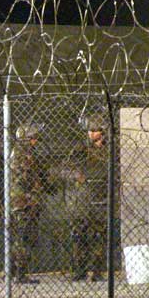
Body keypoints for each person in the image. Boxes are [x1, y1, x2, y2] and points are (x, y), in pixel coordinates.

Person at [66, 113, 109, 282]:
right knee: (79, 236)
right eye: (90, 130)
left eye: (96, 130)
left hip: (100, 198)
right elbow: (69, 168)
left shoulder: (108, 149)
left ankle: (97, 271)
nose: (92, 134)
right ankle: (79, 271)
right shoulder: (80, 149)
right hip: (82, 200)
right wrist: (77, 174)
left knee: (99, 235)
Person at [9, 123, 47, 284]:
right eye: (33, 138)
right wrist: (37, 183)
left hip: (24, 201)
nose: (35, 141)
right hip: (23, 202)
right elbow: (24, 178)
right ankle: (20, 274)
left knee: (22, 237)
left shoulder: (24, 152)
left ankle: (15, 272)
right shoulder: (21, 154)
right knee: (23, 237)